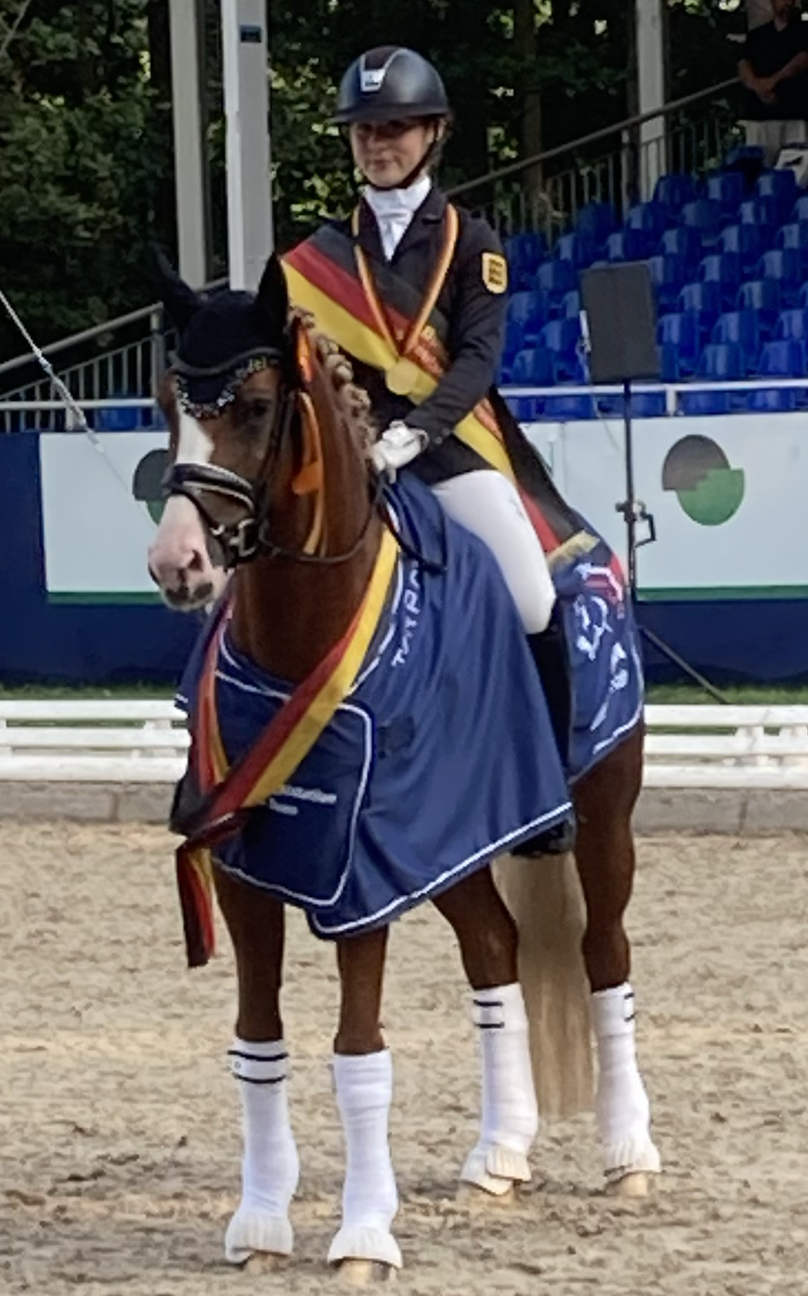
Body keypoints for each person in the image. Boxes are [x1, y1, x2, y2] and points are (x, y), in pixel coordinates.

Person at [282, 46, 577, 857]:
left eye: (396, 128)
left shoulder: (470, 242)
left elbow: (479, 361)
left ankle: (549, 789)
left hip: (443, 450)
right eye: (365, 130)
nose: (379, 144)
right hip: (347, 454)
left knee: (530, 596)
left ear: (433, 133)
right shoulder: (316, 261)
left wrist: (413, 434)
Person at [737, 0, 808, 167]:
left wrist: (772, 81)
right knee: (760, 168)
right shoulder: (756, 36)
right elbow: (743, 65)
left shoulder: (807, 32)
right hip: (761, 116)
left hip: (797, 114)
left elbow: (803, 60)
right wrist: (758, 86)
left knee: (800, 168)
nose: (786, 4)